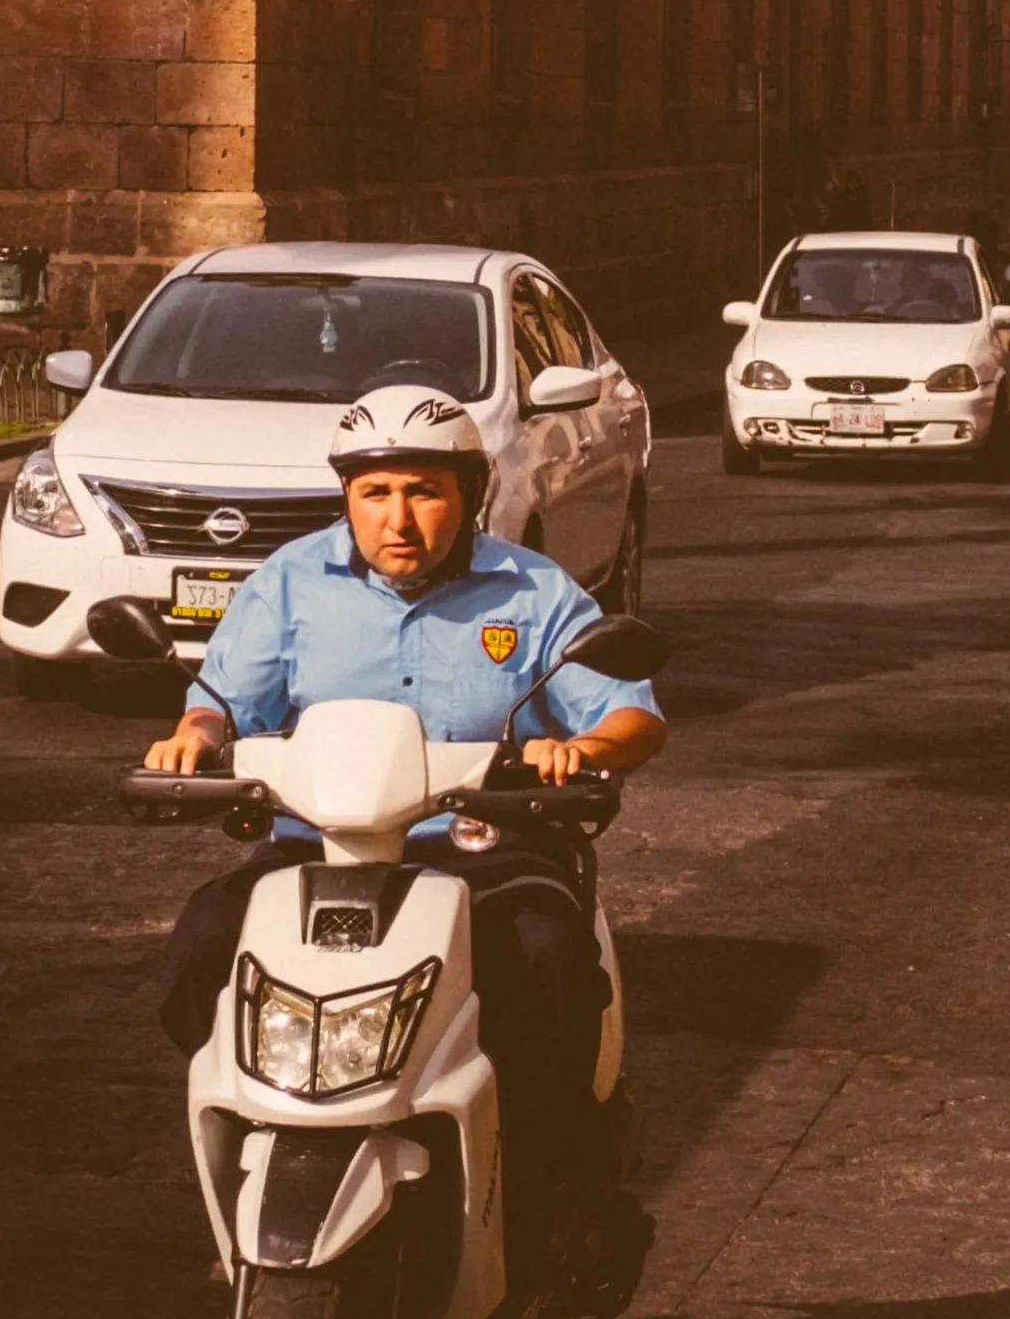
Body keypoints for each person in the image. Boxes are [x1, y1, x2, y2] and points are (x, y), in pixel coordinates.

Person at [145, 386, 664, 1268]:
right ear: (345, 497)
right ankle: (260, 1125)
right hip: (319, 844)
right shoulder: (289, 582)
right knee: (200, 944)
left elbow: (633, 717)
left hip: (484, 849)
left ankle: (555, 1176)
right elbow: (222, 704)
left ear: (470, 492)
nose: (398, 518)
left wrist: (580, 747)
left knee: (547, 959)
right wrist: (194, 735)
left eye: (423, 491)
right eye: (374, 492)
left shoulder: (533, 590)